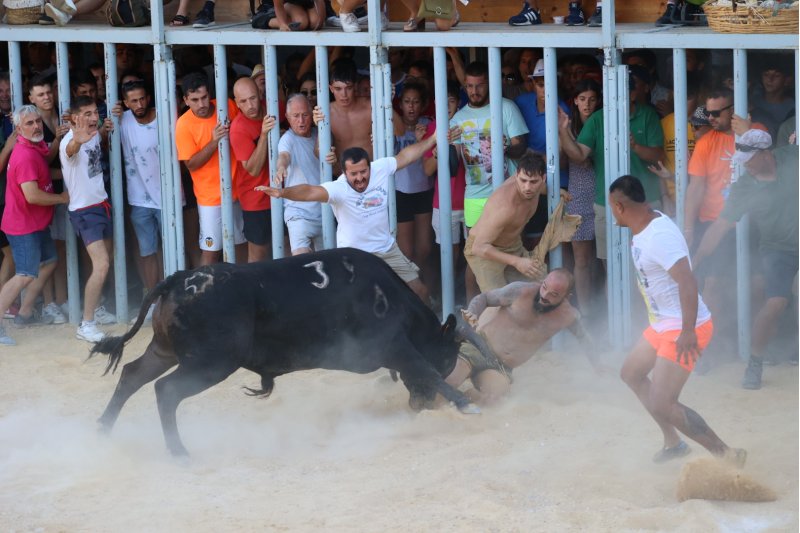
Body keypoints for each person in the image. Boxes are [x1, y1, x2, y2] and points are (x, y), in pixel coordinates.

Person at [611, 175, 745, 466]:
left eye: (611, 208)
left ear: (619, 207)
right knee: (631, 373)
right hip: (664, 324)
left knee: (663, 401)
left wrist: (687, 331)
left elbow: (687, 281)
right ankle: (674, 443)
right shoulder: (646, 223)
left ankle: (727, 455)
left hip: (685, 326)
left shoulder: (658, 236)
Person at [256, 132, 441, 303]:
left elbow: (405, 156)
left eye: (363, 172)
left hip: (387, 250)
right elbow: (309, 191)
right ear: (345, 173)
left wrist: (432, 139)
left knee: (420, 292)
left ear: (369, 167)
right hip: (354, 256)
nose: (360, 178)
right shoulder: (339, 188)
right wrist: (282, 193)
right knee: (360, 302)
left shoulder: (380, 168)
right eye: (354, 174)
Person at [694, 130, 798, 390]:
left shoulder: (792, 156)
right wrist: (695, 262)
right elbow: (719, 228)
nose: (745, 164)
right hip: (777, 249)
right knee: (774, 303)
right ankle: (755, 362)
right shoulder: (744, 188)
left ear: (766, 154)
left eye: (750, 158)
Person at [449, 269, 601, 404]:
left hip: (502, 367)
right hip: (479, 347)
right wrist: (470, 319)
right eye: (544, 287)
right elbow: (484, 298)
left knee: (494, 401)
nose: (545, 295)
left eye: (554, 294)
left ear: (567, 297)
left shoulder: (568, 316)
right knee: (449, 385)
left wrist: (597, 365)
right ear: (542, 282)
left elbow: (584, 337)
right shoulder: (520, 291)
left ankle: (467, 396)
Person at [558, 72, 665, 265]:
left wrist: (636, 147)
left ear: (633, 95)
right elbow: (579, 155)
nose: (613, 100)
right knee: (611, 267)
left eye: (620, 94)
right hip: (606, 203)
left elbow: (658, 156)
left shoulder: (647, 114)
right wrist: (563, 131)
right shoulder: (598, 118)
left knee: (647, 265)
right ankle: (614, 298)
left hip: (645, 200)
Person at [0, 106, 70, 345]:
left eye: (38, 121)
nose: (36, 126)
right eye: (29, 123)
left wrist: (68, 173)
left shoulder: (33, 147)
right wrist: (62, 198)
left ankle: (25, 313)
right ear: (18, 129)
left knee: (49, 261)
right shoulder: (25, 155)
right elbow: (32, 195)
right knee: (24, 274)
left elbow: (45, 172)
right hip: (23, 226)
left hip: (34, 223)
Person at [464, 149, 579, 292]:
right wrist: (517, 262)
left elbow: (539, 188)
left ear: (543, 178)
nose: (527, 187)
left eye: (533, 182)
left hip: (513, 246)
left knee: (536, 291)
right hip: (486, 251)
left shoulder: (535, 187)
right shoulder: (504, 205)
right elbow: (479, 247)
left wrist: (557, 191)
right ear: (516, 175)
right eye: (523, 180)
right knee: (498, 302)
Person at [60, 96, 117, 342]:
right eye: (87, 114)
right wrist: (76, 141)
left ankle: (95, 310)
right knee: (102, 264)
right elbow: (71, 151)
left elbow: (99, 138)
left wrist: (105, 130)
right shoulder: (68, 143)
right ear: (74, 118)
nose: (93, 117)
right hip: (85, 212)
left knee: (107, 261)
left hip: (101, 205)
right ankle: (86, 324)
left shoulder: (93, 134)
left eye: (95, 112)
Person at [175, 72, 246, 266]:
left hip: (239, 192)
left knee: (240, 246)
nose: (201, 104)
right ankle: (203, 295)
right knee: (210, 252)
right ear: (185, 100)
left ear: (210, 94)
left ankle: (240, 292)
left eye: (204, 97)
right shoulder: (183, 124)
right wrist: (214, 142)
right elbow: (191, 164)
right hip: (210, 200)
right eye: (195, 100)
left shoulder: (228, 106)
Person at [113, 81, 166, 319]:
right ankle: (153, 302)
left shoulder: (164, 117)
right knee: (147, 252)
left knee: (170, 250)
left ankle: (170, 299)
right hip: (139, 199)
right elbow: (103, 140)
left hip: (168, 198)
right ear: (125, 103)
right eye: (133, 101)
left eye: (143, 98)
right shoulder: (121, 119)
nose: (140, 104)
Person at [275, 94, 335, 255]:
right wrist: (281, 168)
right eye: (295, 116)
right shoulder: (287, 139)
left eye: (305, 115)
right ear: (287, 117)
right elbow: (284, 156)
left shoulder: (319, 134)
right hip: (298, 213)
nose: (301, 121)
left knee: (328, 263)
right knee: (301, 262)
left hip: (324, 211)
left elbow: (322, 154)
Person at [229, 77, 278, 263]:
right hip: (256, 199)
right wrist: (264, 135)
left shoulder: (273, 107)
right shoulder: (238, 129)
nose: (250, 105)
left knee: (287, 248)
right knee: (259, 255)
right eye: (243, 101)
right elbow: (253, 169)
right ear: (236, 103)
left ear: (260, 95)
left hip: (283, 193)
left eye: (253, 98)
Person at [394, 82, 435, 296]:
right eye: (407, 102)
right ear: (399, 104)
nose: (411, 107)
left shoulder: (428, 125)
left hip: (423, 191)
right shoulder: (392, 126)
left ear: (423, 105)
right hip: (400, 193)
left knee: (424, 250)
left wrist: (425, 141)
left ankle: (429, 293)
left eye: (416, 102)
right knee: (406, 252)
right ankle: (412, 294)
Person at [565, 79, 601, 315]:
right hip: (577, 196)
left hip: (603, 195)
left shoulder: (604, 124)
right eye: (582, 99)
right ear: (575, 102)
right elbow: (575, 159)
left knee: (606, 259)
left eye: (592, 99)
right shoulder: (568, 129)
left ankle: (606, 305)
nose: (587, 104)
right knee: (582, 260)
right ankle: (586, 312)